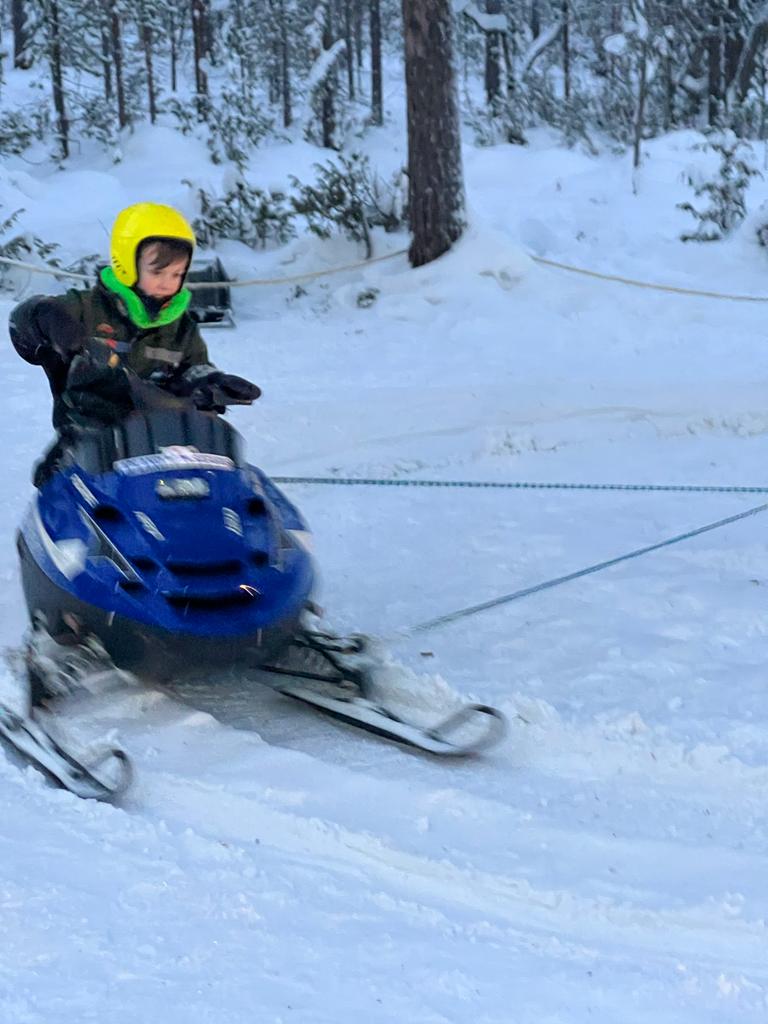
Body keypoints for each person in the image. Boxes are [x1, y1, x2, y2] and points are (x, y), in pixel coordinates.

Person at [9, 202, 260, 483]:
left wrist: (211, 382)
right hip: (89, 443)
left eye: (176, 274)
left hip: (163, 442)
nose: (168, 283)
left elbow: (193, 367)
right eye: (158, 272)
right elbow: (22, 326)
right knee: (61, 491)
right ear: (126, 263)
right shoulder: (88, 308)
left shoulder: (180, 327)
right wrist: (47, 318)